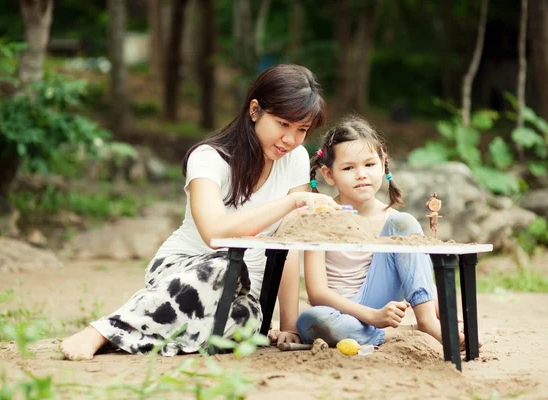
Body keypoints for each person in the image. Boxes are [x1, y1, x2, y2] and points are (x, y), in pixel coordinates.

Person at [61, 64, 339, 360]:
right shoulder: (209, 158)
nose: (290, 139)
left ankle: (134, 336)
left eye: (301, 130)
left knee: (249, 319)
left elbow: (288, 247)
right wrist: (289, 203)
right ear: (255, 110)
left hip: (241, 294)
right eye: (283, 124)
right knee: (222, 267)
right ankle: (102, 331)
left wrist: (288, 326)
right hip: (186, 273)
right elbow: (215, 234)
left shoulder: (294, 158)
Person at [296, 115, 464, 348]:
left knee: (404, 223)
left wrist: (441, 307)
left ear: (383, 163)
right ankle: (405, 332)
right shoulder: (322, 216)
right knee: (310, 320)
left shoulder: (394, 222)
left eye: (369, 164)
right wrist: (372, 317)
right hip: (340, 311)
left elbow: (416, 273)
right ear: (329, 175)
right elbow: (316, 293)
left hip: (379, 299)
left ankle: (427, 323)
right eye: (348, 168)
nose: (361, 174)